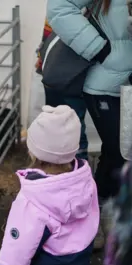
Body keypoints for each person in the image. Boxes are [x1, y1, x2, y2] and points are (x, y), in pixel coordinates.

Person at [47, 0, 132, 235]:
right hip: (105, 84)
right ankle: (95, 214)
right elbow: (59, 7)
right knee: (117, 151)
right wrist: (99, 49)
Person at [0, 105, 99, 265]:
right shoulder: (86, 180)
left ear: (34, 152)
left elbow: (15, 255)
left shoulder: (32, 201)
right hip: (81, 256)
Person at [35, 18, 89, 160]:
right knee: (56, 121)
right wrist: (42, 57)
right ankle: (56, 164)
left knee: (73, 122)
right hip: (56, 68)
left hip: (75, 71)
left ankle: (77, 166)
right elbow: (49, 27)